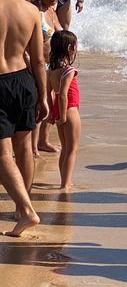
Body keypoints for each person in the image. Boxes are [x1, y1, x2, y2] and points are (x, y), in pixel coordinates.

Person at [0, 0, 45, 236]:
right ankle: (21, 207)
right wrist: (45, 95)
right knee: (25, 147)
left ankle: (26, 210)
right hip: (24, 81)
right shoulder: (30, 10)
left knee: (2, 154)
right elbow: (39, 59)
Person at [32, 0, 63, 156]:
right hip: (40, 65)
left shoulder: (53, 9)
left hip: (53, 66)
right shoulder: (36, 11)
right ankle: (34, 146)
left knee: (50, 105)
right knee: (39, 105)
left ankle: (43, 141)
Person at [47, 30, 81, 190]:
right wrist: (64, 116)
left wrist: (52, 114)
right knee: (72, 148)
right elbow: (62, 95)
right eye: (75, 46)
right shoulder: (69, 70)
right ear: (69, 48)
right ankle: (66, 183)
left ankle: (64, 180)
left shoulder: (51, 70)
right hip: (70, 110)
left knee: (65, 148)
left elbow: (48, 93)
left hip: (57, 110)